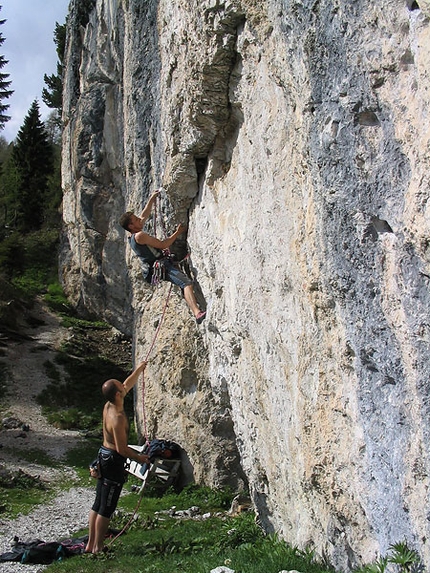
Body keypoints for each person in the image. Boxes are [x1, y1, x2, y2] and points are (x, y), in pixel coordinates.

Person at [85, 360, 151, 554]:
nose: (124, 386)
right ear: (117, 394)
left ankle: (90, 544)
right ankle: (98, 547)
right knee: (107, 506)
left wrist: (139, 369)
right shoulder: (118, 418)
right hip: (113, 459)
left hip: (103, 455)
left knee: (98, 503)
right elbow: (122, 449)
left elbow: (127, 384)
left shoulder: (109, 405)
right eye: (121, 386)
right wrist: (141, 458)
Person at [119, 191, 206, 324]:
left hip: (155, 267)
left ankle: (194, 306)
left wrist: (152, 198)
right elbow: (163, 244)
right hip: (161, 266)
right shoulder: (139, 236)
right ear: (131, 226)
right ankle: (197, 313)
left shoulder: (132, 236)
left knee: (182, 282)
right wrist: (177, 232)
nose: (139, 219)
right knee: (186, 283)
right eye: (136, 220)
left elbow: (144, 215)